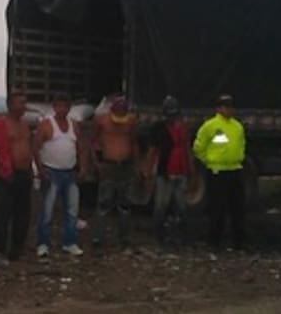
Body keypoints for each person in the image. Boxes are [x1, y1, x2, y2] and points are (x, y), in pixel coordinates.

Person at [0, 91, 36, 264]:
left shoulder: (25, 125)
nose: (23, 106)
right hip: (6, 174)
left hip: (24, 173)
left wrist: (32, 170)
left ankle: (17, 249)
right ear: (10, 105)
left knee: (23, 214)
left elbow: (29, 148)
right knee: (2, 214)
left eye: (25, 103)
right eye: (20, 103)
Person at [33, 93, 86, 258]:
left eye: (65, 106)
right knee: (47, 210)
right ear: (54, 107)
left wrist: (82, 167)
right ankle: (43, 243)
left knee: (72, 210)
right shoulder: (47, 124)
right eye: (59, 106)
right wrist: (40, 169)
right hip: (51, 171)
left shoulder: (74, 125)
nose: (62, 109)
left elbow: (81, 147)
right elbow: (35, 147)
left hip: (69, 172)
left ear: (69, 108)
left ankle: (69, 242)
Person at [193, 94, 248, 250]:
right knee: (217, 208)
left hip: (235, 170)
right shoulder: (210, 126)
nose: (227, 109)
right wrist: (209, 161)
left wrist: (239, 157)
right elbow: (198, 147)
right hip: (217, 172)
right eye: (224, 106)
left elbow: (242, 144)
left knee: (238, 208)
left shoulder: (237, 126)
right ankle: (214, 241)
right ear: (218, 108)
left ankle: (239, 242)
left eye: (230, 106)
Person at [145, 96, 197, 247]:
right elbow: (152, 151)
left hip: (180, 171)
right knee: (161, 205)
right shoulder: (158, 128)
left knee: (181, 207)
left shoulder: (183, 128)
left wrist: (191, 170)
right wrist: (148, 173)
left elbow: (187, 149)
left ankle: (180, 236)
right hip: (165, 172)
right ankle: (159, 236)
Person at [91, 94, 141, 250]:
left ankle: (124, 239)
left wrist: (137, 165)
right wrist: (96, 163)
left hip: (125, 166)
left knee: (125, 204)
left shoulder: (130, 122)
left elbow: (134, 143)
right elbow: (93, 142)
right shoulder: (102, 120)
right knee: (104, 204)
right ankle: (98, 239)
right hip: (109, 165)